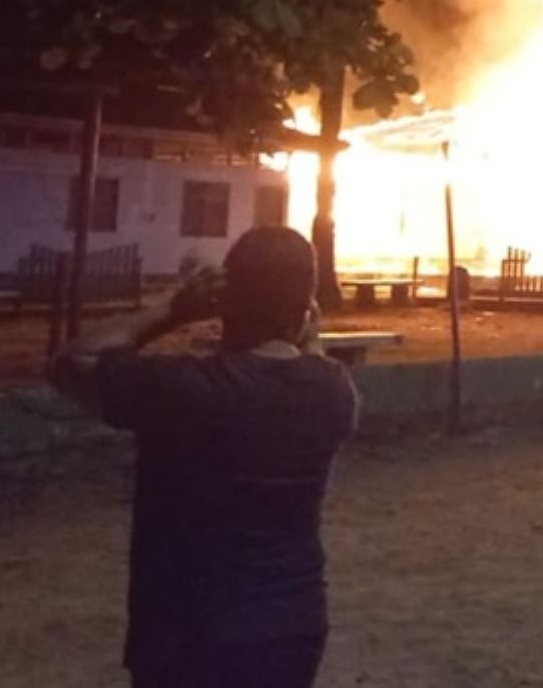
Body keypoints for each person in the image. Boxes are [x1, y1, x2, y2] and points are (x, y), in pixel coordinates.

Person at [50, 227, 359, 688]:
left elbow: (72, 362)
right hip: (292, 625)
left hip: (187, 632)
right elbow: (310, 355)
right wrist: (304, 324)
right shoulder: (334, 391)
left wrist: (174, 310)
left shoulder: (183, 389)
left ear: (227, 302)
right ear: (306, 309)